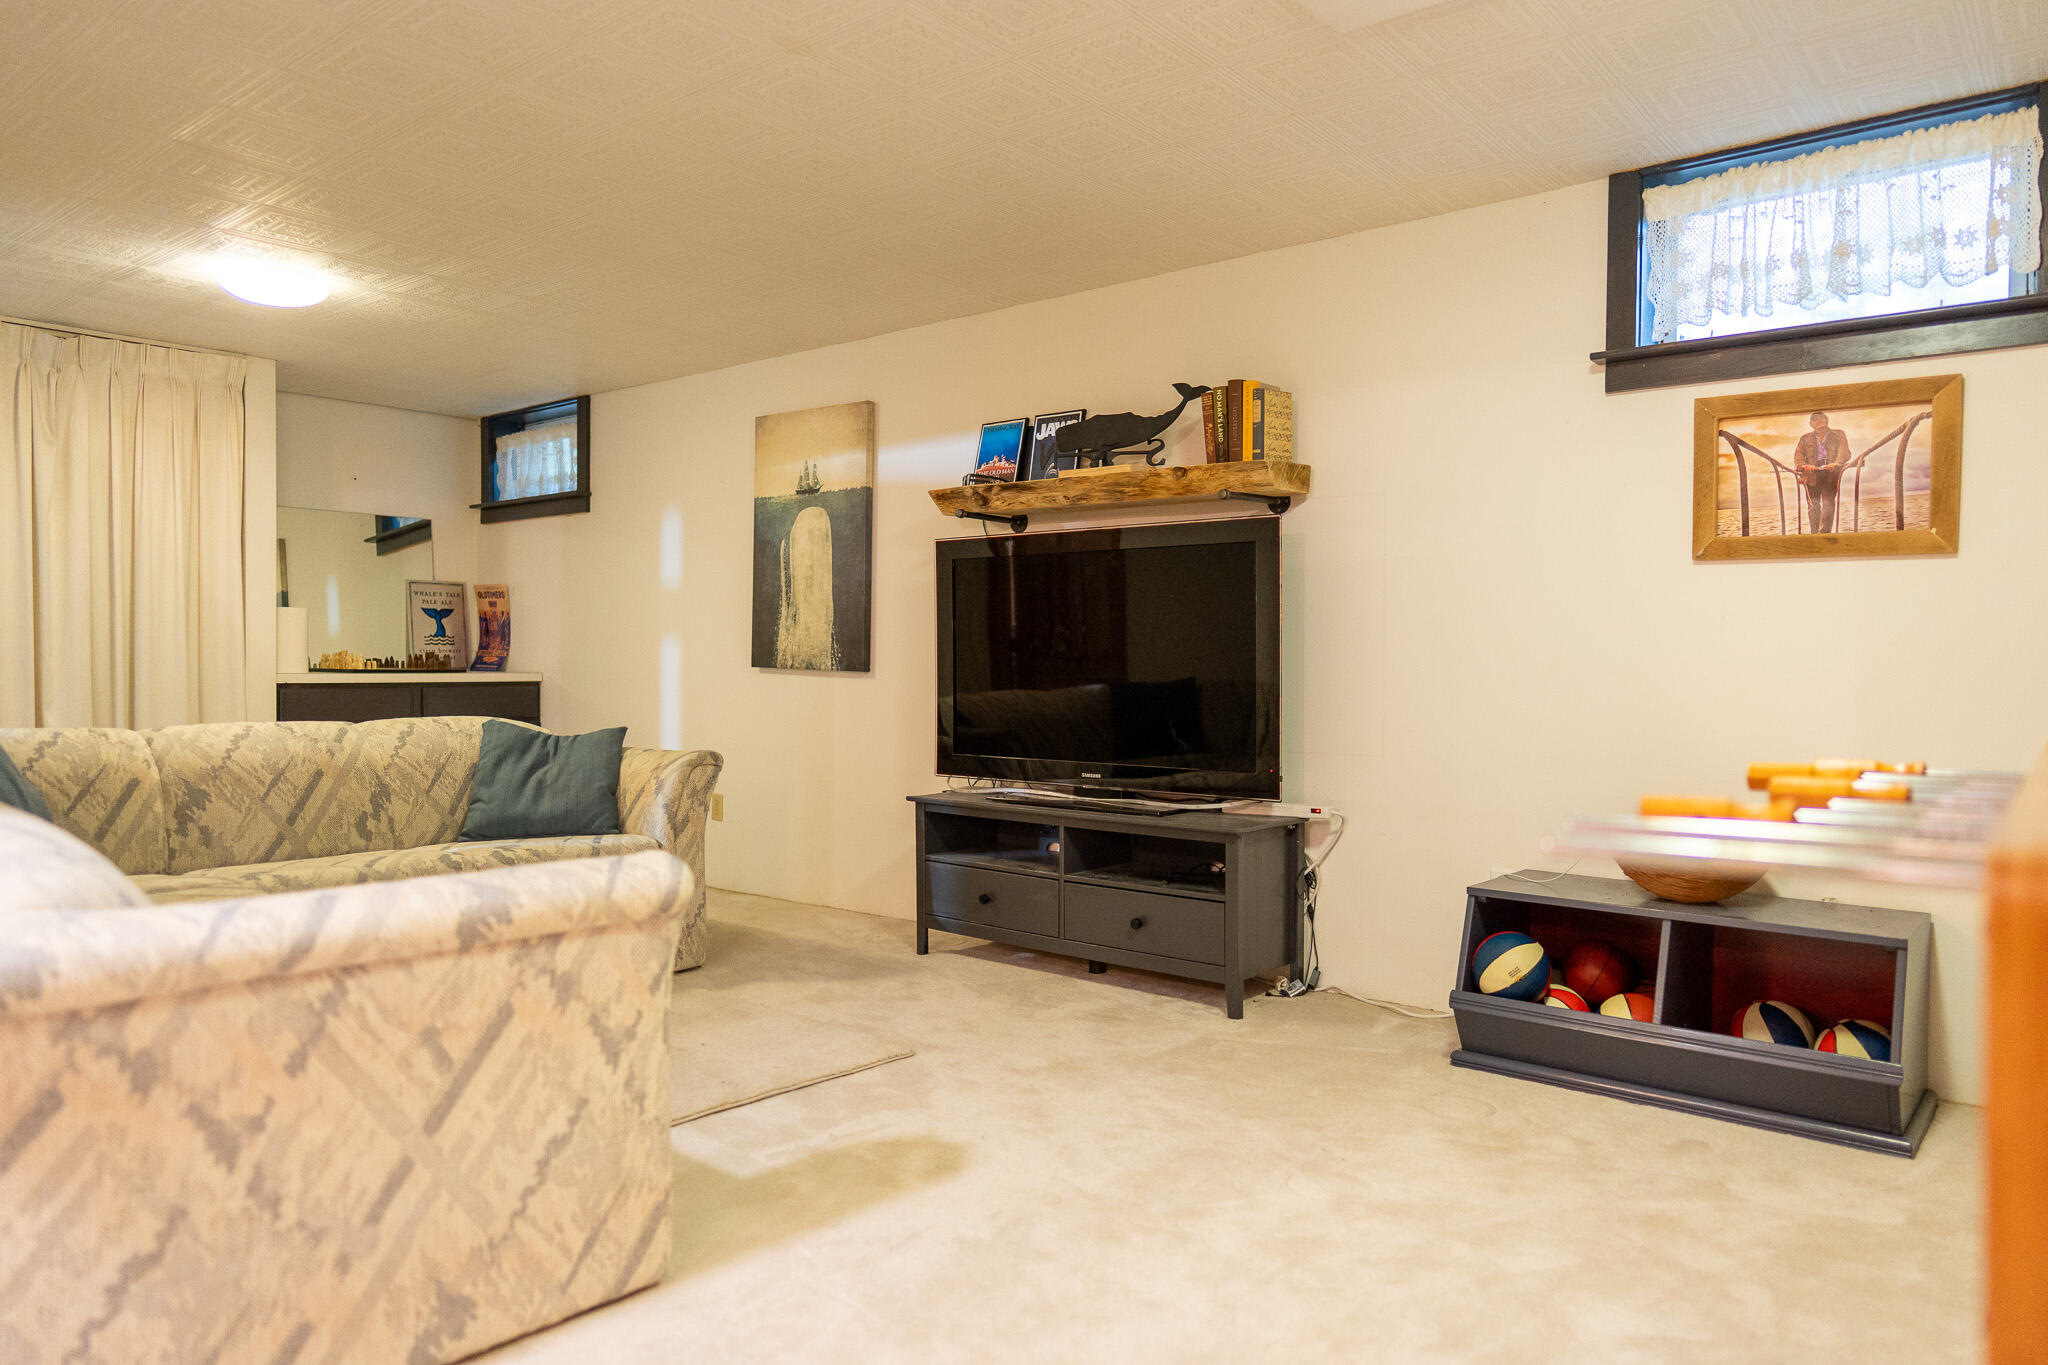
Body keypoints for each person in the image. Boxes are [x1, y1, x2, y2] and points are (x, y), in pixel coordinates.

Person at [1793, 410, 1851, 533]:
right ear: (1811, 424)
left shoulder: (1839, 434)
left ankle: (1824, 533)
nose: (1818, 421)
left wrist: (1837, 463)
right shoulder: (1805, 438)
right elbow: (1798, 456)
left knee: (1828, 502)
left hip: (1831, 472)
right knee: (1813, 505)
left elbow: (1844, 451)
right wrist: (1805, 466)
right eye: (1815, 419)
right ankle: (1815, 534)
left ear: (1827, 420)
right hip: (1812, 474)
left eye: (1821, 418)